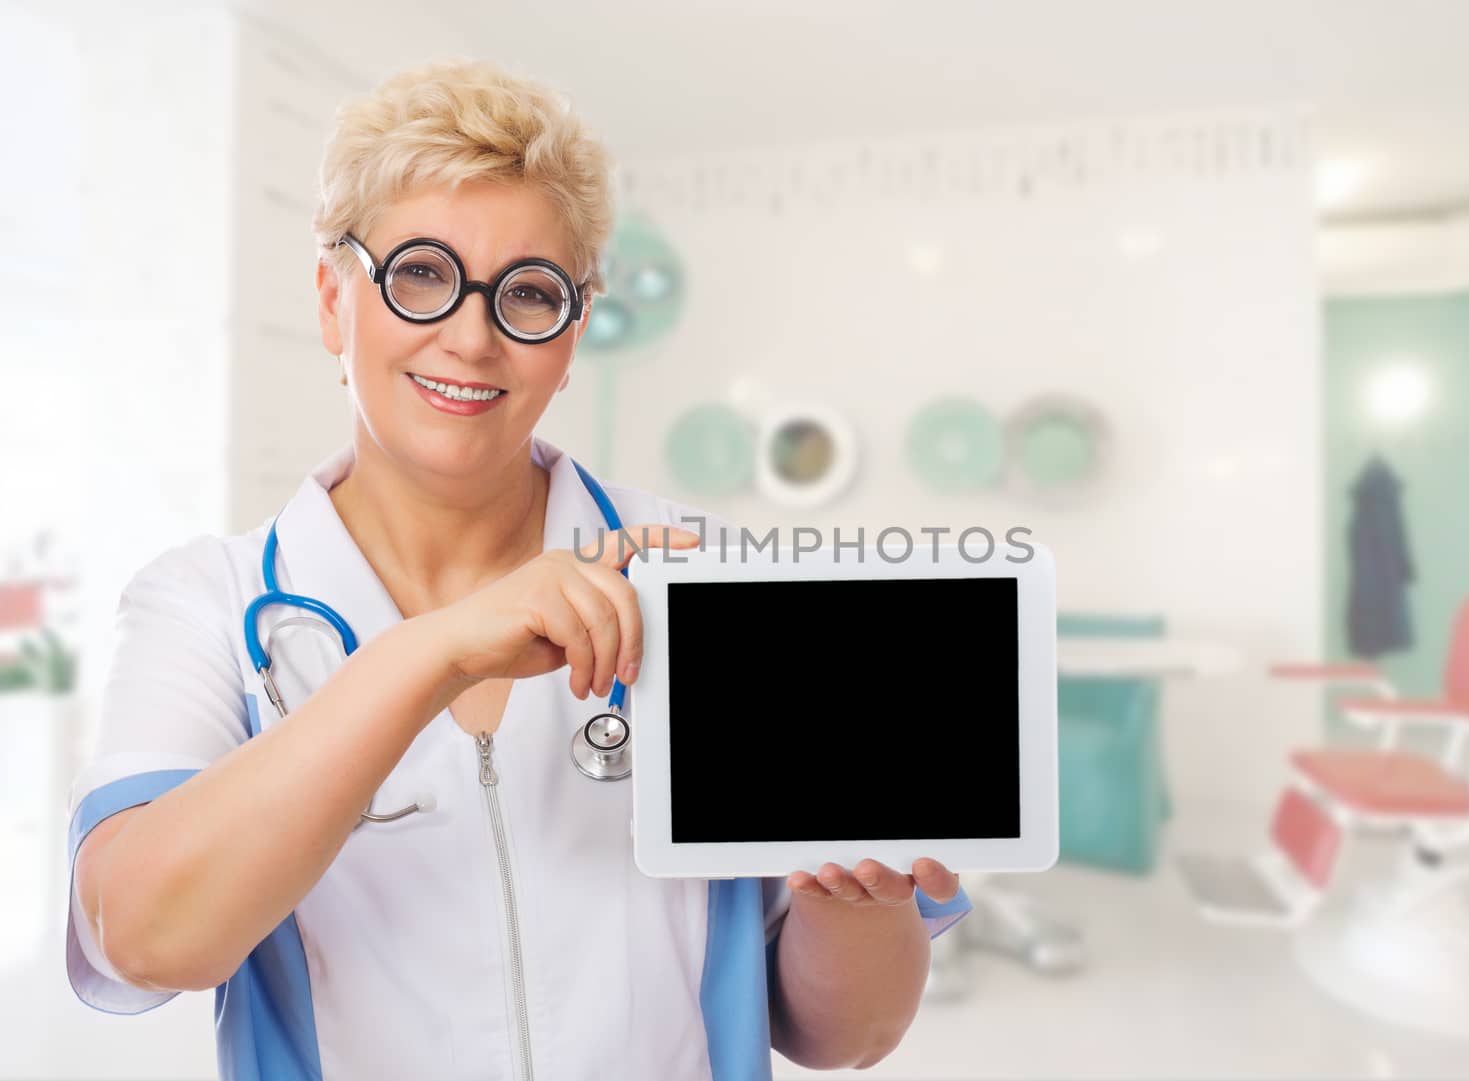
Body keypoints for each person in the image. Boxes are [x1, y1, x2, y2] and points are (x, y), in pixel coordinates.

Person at [64, 58, 971, 1080]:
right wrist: (435, 651)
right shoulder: (206, 606)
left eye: (528, 294)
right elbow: (140, 937)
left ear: (572, 331)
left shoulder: (710, 578)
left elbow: (845, 1035)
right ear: (332, 300)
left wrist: (850, 895)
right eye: (419, 273)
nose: (471, 336)